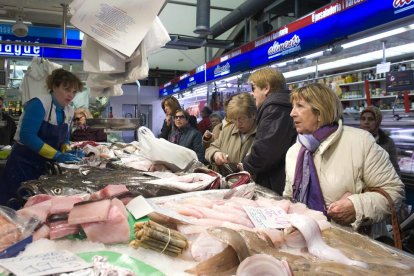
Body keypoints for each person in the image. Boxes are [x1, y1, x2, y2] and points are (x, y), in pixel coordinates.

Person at [283, 83, 404, 236]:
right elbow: (289, 196)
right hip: (306, 241)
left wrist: (356, 207)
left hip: (354, 246)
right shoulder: (294, 152)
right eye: (293, 106)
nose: (292, 113)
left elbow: (394, 192)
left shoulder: (360, 142)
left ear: (320, 112)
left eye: (299, 106)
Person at [0, 68, 83, 206]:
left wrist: (67, 149)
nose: (70, 95)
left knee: (38, 209)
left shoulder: (69, 110)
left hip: (44, 169)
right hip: (23, 166)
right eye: (67, 89)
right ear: (54, 86)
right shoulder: (39, 104)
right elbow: (27, 136)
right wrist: (56, 155)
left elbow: (65, 138)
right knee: (14, 209)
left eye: (74, 92)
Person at [241, 67, 297, 195]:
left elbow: (265, 153)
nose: (251, 93)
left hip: (276, 184)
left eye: (253, 88)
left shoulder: (275, 108)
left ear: (266, 88)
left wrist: (244, 164)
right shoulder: (281, 105)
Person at [205, 93, 257, 176]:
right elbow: (211, 148)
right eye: (234, 119)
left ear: (253, 115)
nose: (237, 124)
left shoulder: (262, 133)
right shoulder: (227, 130)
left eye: (241, 118)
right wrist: (215, 154)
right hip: (228, 181)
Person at [360, 106, 400, 175]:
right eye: (363, 119)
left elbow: (394, 168)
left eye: (370, 119)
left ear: (377, 122)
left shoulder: (388, 142)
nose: (366, 122)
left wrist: (398, 184)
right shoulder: (354, 140)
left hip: (381, 182)